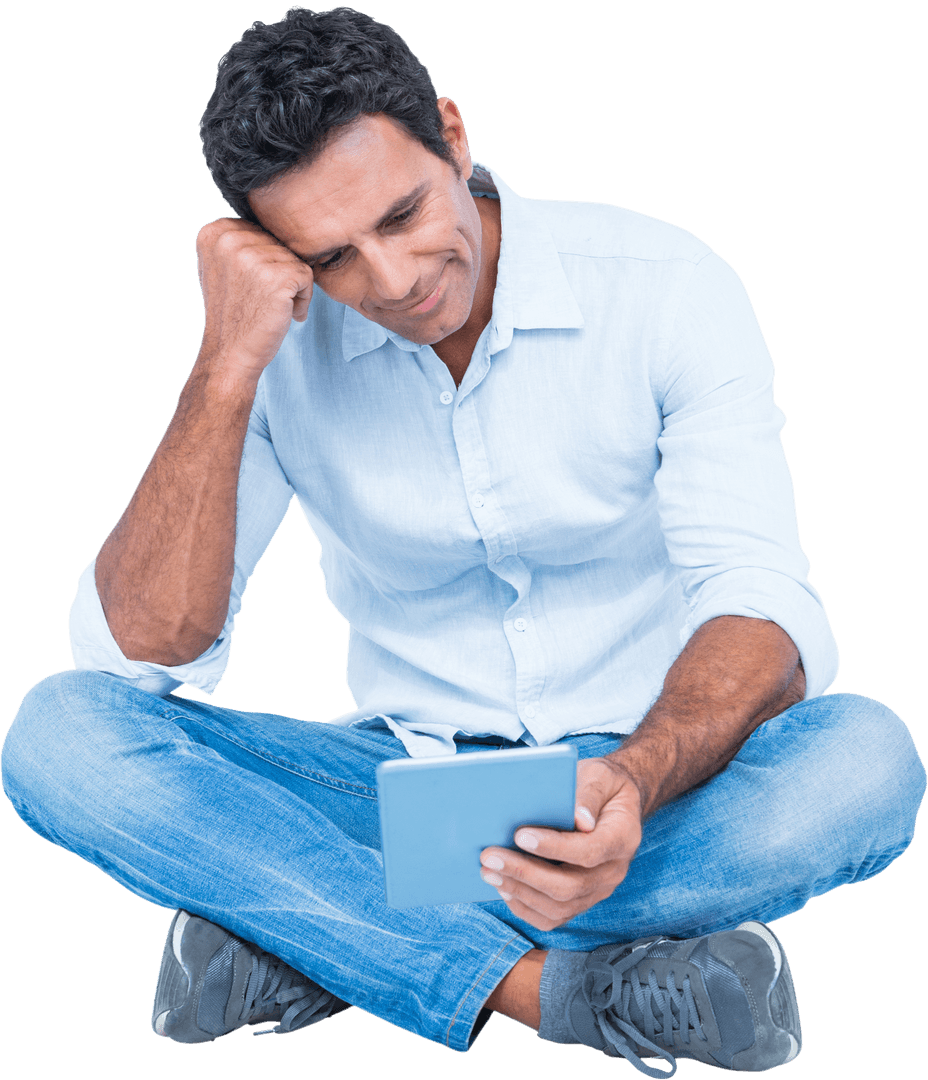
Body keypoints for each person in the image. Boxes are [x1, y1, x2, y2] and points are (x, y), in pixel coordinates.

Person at [2, 6, 924, 1075]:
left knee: (865, 763)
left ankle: (314, 931)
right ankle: (553, 988)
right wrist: (224, 364)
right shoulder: (277, 346)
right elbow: (141, 654)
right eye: (332, 255)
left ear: (452, 134)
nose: (391, 282)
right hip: (396, 784)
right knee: (58, 736)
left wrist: (630, 779)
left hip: (659, 779)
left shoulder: (665, 286)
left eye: (403, 215)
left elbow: (755, 596)